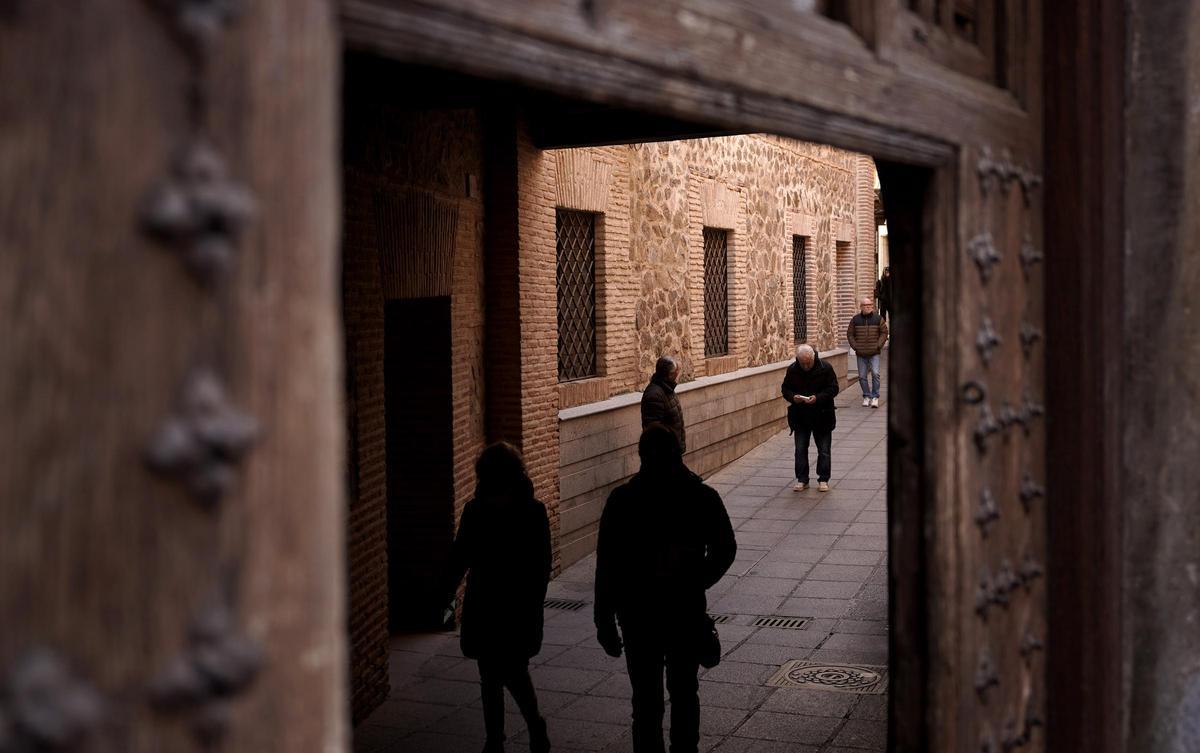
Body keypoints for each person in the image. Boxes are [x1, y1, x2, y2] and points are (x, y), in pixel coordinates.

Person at [593, 425, 736, 753]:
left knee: (645, 701)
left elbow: (607, 566)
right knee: (685, 692)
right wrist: (696, 580)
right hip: (683, 612)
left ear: (642, 456)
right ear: (678, 452)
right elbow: (725, 548)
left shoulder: (622, 501)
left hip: (637, 615)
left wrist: (604, 621)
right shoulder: (700, 497)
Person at [446, 443, 552, 753]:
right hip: (497, 605)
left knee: (507, 671)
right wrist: (448, 596)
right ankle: (498, 737)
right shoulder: (483, 511)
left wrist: (447, 595)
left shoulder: (529, 512)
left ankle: (527, 725)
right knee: (492, 674)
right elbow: (460, 558)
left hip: (508, 604)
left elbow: (458, 559)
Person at [781, 344, 840, 492]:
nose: (806, 366)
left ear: (813, 357)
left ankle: (823, 479)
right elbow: (785, 389)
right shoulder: (793, 369)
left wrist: (818, 398)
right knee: (800, 449)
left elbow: (833, 388)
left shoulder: (825, 368)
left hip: (822, 414)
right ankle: (802, 479)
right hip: (801, 416)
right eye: (803, 363)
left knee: (824, 450)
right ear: (798, 360)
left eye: (808, 362)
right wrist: (793, 397)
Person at [846, 296, 888, 408]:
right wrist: (855, 346)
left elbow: (884, 332)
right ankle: (866, 396)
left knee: (876, 374)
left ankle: (875, 397)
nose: (868, 307)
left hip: (874, 352)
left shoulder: (878, 318)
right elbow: (850, 334)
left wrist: (878, 345)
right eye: (866, 305)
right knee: (862, 376)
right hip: (861, 353)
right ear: (861, 307)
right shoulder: (855, 320)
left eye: (870, 305)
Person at [640, 356, 686, 452]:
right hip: (663, 456)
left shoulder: (668, 389)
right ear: (669, 375)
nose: (678, 374)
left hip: (672, 453)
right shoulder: (654, 395)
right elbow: (653, 432)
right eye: (676, 372)